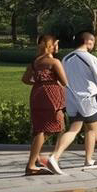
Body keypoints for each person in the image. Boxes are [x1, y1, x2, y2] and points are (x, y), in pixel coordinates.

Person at [48, 31, 97, 170]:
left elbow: (61, 79)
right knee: (90, 131)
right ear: (88, 41)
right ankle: (77, 159)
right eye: (93, 41)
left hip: (71, 99)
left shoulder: (66, 58)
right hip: (88, 99)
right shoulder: (90, 58)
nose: (93, 44)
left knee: (79, 129)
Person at [21, 34, 68, 175]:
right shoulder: (54, 63)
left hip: (37, 94)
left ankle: (35, 159)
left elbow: (25, 79)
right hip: (51, 96)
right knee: (52, 127)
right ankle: (32, 165)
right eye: (56, 44)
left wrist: (39, 83)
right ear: (52, 45)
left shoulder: (34, 62)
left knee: (41, 128)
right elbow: (64, 81)